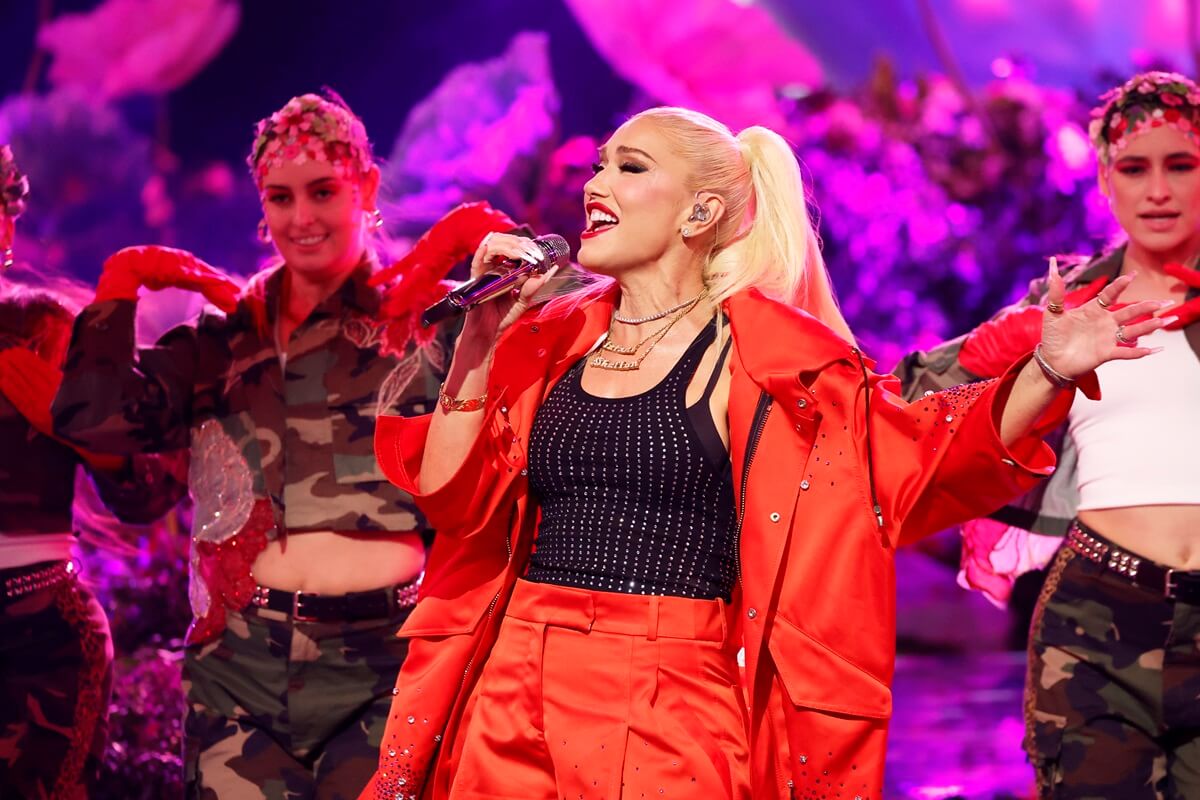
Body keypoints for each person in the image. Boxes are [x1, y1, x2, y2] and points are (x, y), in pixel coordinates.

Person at [360, 105, 1165, 800]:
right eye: (600, 163)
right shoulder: (546, 337)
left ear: (699, 211)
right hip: (513, 678)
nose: (594, 183)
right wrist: (475, 343)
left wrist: (1051, 368)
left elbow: (915, 456)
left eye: (628, 166)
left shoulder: (773, 356)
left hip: (669, 688)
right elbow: (452, 498)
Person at [50, 93, 521, 799]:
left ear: (364, 187)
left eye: (323, 192)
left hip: (389, 666)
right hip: (240, 670)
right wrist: (126, 282)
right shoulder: (221, 343)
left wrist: (493, 256)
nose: (301, 218)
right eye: (280, 197)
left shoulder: (439, 322)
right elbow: (93, 418)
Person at [896, 71, 1200, 799]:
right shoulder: (1066, 310)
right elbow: (914, 397)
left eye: (1181, 164)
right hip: (1099, 619)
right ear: (1105, 179)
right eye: (1135, 167)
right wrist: (1012, 353)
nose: (1157, 189)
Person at [0, 145, 183, 800]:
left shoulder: (41, 330)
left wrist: (72, 426)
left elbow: (149, 491)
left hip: (41, 639)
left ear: (6, 227)